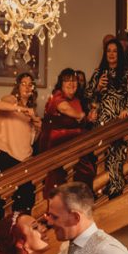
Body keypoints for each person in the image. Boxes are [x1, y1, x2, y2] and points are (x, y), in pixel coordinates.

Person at [85, 38, 128, 198]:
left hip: (120, 121)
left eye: (115, 51)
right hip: (102, 123)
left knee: (119, 157)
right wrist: (98, 87)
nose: (111, 54)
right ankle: (104, 192)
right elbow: (88, 96)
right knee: (104, 158)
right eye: (109, 51)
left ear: (119, 53)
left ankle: (118, 192)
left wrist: (127, 108)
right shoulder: (99, 72)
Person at [40, 68, 93, 197]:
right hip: (56, 144)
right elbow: (64, 108)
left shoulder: (77, 100)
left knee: (86, 173)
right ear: (61, 84)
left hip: (73, 146)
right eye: (67, 81)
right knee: (56, 179)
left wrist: (88, 118)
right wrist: (80, 115)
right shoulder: (57, 96)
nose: (71, 83)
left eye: (74, 80)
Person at [0, 72, 41, 212]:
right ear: (18, 86)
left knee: (25, 204)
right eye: (23, 83)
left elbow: (31, 141)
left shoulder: (33, 112)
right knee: (6, 204)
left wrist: (37, 128)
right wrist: (21, 108)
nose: (27, 87)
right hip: (6, 157)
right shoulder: (11, 99)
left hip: (25, 161)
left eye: (30, 84)